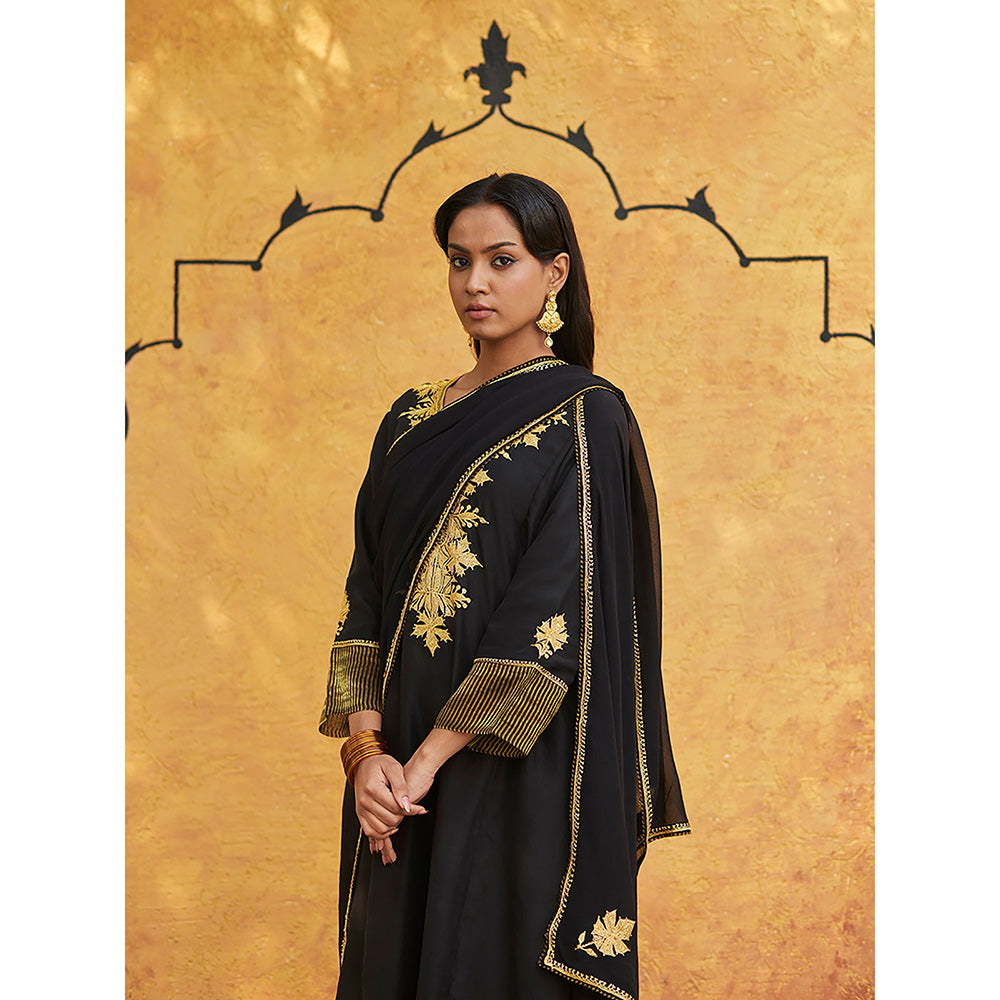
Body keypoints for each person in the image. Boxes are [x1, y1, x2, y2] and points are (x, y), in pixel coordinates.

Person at [319, 172, 689, 1000]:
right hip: (393, 773)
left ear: (554, 274)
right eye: (459, 261)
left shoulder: (585, 413)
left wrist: (426, 762)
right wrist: (366, 756)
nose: (475, 283)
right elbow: (365, 593)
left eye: (501, 260)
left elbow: (549, 608)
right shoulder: (409, 417)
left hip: (508, 758)